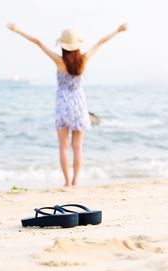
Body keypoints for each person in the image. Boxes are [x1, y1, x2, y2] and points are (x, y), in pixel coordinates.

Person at [7, 22, 128, 187]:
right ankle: (76, 181)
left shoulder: (59, 61)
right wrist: (117, 30)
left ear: (63, 45)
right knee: (77, 147)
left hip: (62, 105)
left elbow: (38, 43)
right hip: (79, 105)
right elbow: (100, 42)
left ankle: (67, 182)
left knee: (63, 146)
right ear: (77, 45)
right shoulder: (83, 60)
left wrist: (18, 30)